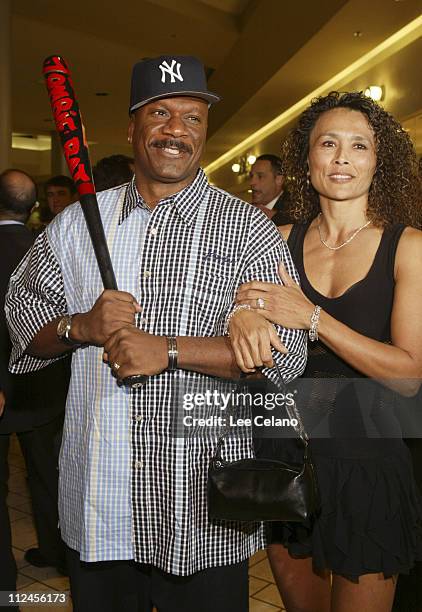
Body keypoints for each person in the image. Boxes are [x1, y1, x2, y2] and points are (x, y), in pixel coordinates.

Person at [5, 56, 307, 612]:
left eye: (191, 118)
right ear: (131, 127)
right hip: (99, 502)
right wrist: (81, 327)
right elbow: (21, 322)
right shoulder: (78, 223)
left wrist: (166, 350)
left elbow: (286, 355)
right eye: (160, 113)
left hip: (199, 510)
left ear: (205, 132)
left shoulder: (246, 229)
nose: (176, 130)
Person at [228, 91, 422, 612]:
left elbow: (409, 375)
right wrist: (242, 313)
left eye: (359, 145)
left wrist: (313, 319)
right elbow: (233, 312)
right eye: (328, 143)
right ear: (306, 160)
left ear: (378, 162)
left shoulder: (407, 247)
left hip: (369, 461)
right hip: (285, 459)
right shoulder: (274, 239)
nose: (342, 157)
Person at [0, 170, 69, 596]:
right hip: (45, 388)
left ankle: (6, 592)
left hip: (7, 389)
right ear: (33, 206)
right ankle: (57, 553)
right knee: (49, 478)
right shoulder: (48, 250)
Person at [249, 154, 291, 225]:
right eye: (251, 176)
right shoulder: (248, 210)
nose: (252, 182)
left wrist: (274, 217)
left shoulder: (297, 208)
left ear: (279, 180)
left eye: (260, 176)